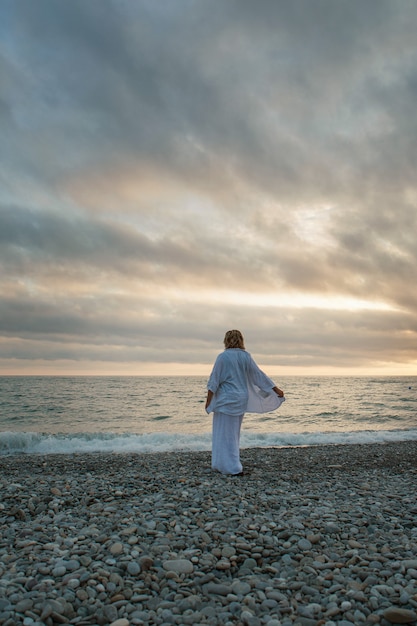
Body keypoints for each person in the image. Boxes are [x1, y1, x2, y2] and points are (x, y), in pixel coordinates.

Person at [205, 329, 285, 475]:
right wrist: (276, 389)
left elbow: (214, 380)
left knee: (223, 432)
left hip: (226, 399)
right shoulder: (245, 356)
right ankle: (221, 464)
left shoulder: (223, 357)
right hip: (241, 398)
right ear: (241, 340)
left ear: (226, 340)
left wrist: (208, 400)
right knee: (233, 433)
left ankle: (231, 467)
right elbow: (259, 376)